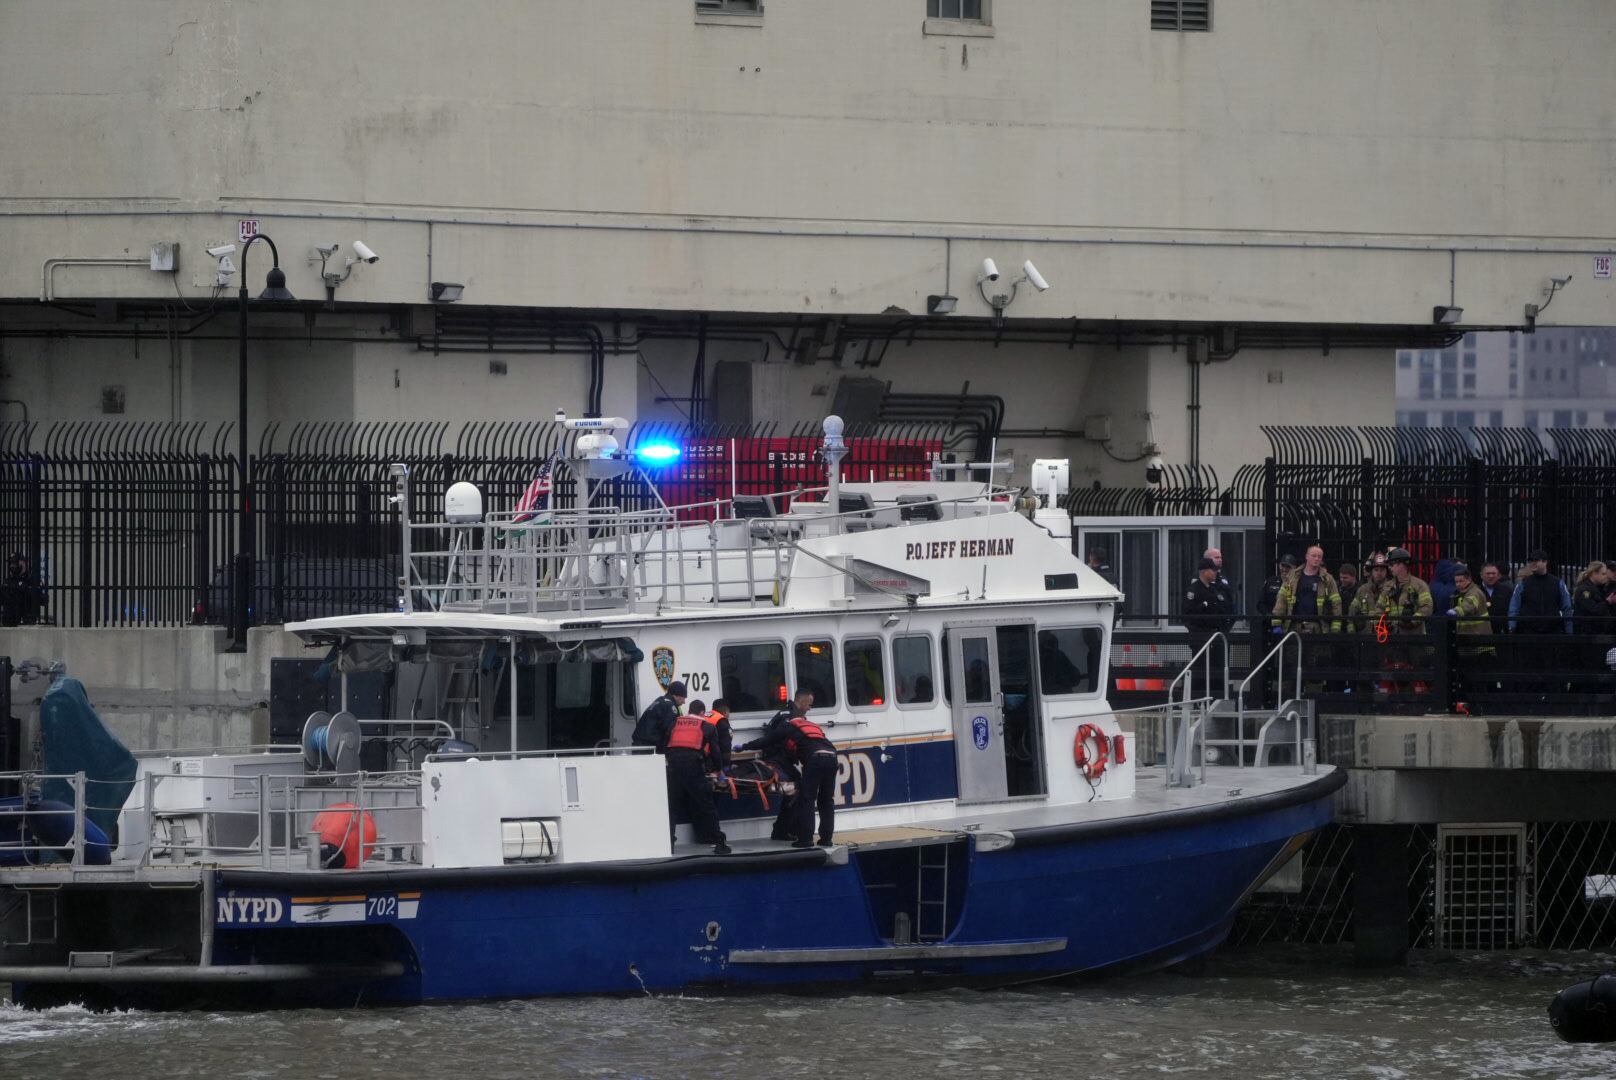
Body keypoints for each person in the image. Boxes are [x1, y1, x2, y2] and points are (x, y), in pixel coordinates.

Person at [740, 694, 838, 848]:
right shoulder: (813, 726)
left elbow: (766, 741)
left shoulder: (788, 726)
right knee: (826, 800)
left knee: (807, 798)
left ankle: (805, 839)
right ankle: (826, 839)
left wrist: (744, 746)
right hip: (832, 757)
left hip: (815, 759)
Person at [658, 697, 730, 855]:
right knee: (707, 806)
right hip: (693, 768)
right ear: (702, 713)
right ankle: (719, 842)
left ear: (689, 711)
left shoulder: (674, 722)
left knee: (672, 808)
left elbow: (664, 743)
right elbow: (716, 753)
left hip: (672, 768)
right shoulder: (707, 726)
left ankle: (668, 844)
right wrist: (719, 771)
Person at [753, 690, 814, 841]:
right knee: (797, 789)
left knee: (796, 788)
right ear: (801, 702)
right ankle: (783, 830)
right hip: (778, 760)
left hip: (780, 759)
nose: (810, 708)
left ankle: (785, 829)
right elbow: (779, 740)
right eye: (809, 704)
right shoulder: (790, 717)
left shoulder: (785, 714)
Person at [1183, 557, 1235, 698]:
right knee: (1200, 669)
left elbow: (1225, 609)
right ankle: (1197, 698)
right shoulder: (1194, 590)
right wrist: (1203, 606)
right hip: (1200, 637)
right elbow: (1188, 615)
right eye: (1213, 570)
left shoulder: (1215, 589)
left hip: (1215, 636)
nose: (1215, 573)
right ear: (1205, 572)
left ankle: (1216, 697)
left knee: (1217, 669)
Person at [1271, 545, 1342, 635]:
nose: (1316, 559)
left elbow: (1336, 603)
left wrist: (1335, 628)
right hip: (1294, 626)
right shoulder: (1292, 577)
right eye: (1313, 556)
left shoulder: (1327, 579)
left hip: (1318, 628)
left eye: (1319, 557)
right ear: (1306, 556)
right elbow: (1282, 600)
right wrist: (1276, 624)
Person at [1508, 549, 1571, 634]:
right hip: (1528, 631)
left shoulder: (1558, 583)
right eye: (1530, 561)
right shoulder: (1522, 584)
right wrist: (1512, 627)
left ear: (1545, 562)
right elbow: (1514, 607)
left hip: (1552, 631)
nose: (1532, 563)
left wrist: (1569, 630)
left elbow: (1566, 608)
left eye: (1536, 560)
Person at [632, 680, 686, 748]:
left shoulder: (659, 701)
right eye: (683, 698)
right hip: (650, 747)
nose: (684, 702)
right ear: (676, 695)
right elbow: (670, 730)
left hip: (639, 744)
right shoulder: (670, 706)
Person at [1, 552, 44, 627]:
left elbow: (43, 600)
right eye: (11, 563)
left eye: (14, 562)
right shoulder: (8, 580)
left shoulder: (32, 580)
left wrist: (26, 591)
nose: (12, 565)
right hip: (9, 623)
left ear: (24, 563)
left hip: (26, 623)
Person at [1259, 553, 1298, 626]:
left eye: (1288, 567)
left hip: (1291, 624)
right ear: (1279, 565)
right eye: (1283, 565)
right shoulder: (1270, 581)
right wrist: (1268, 615)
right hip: (1271, 624)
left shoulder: (1298, 584)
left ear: (1294, 568)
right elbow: (1260, 603)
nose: (1284, 569)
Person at [1479, 561, 1514, 634]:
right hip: (1481, 631)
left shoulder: (1506, 590)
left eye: (1493, 573)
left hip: (1501, 632)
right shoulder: (1476, 591)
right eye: (1488, 573)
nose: (1491, 576)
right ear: (1481, 575)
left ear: (1498, 575)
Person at [707, 698, 734, 771]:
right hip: (712, 758)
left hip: (699, 755)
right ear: (725, 712)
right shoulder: (721, 721)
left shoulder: (705, 715)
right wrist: (726, 765)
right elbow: (726, 746)